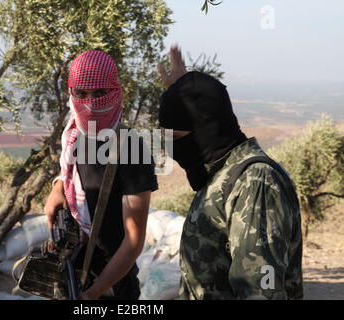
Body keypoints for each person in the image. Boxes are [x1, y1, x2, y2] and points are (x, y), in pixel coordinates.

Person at [157, 46, 303, 299]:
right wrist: (181, 89)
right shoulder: (222, 174)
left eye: (176, 137)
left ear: (206, 128)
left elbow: (260, 291)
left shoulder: (256, 182)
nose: (172, 148)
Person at [44, 50, 158, 300]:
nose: (90, 103)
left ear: (115, 91)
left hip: (110, 288)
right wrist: (58, 186)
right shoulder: (76, 131)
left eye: (99, 94)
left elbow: (133, 242)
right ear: (71, 93)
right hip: (72, 275)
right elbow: (72, 172)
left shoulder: (130, 148)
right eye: (82, 94)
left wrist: (93, 293)